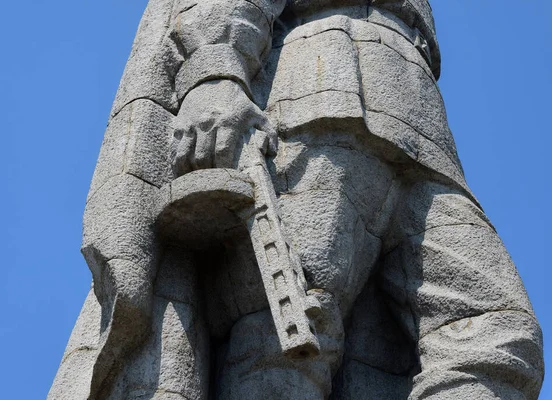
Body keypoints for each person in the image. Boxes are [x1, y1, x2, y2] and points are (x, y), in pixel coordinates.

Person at [49, 1, 544, 399]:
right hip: (317, 94)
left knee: (499, 335)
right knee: (290, 339)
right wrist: (216, 73)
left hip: (415, 122)